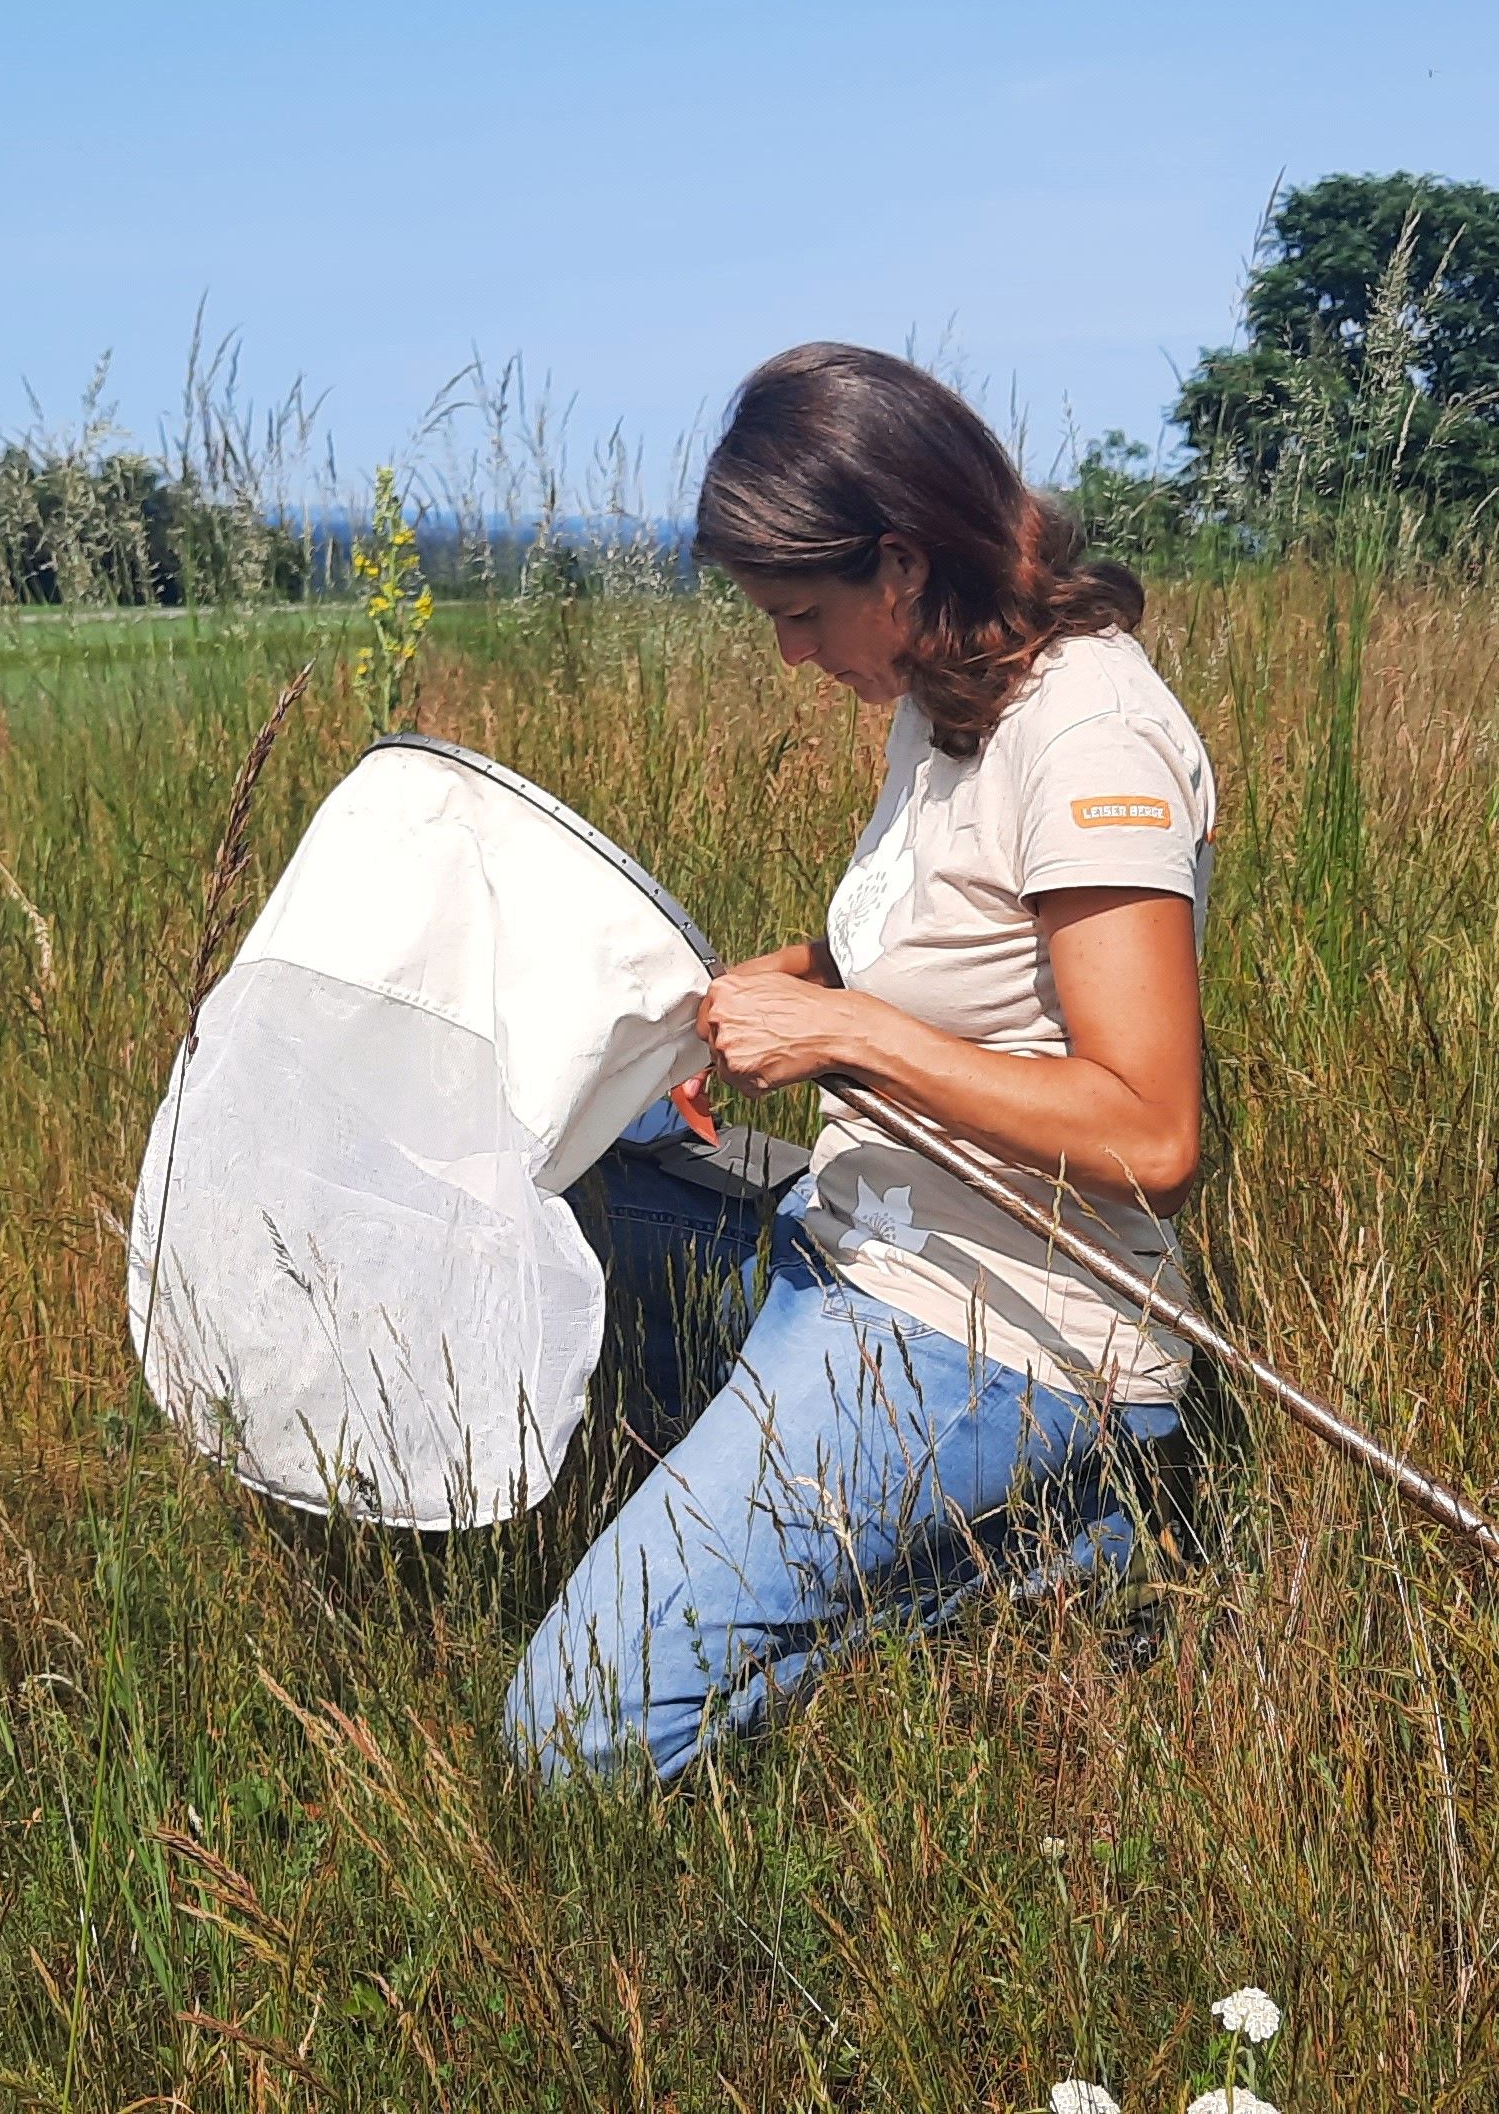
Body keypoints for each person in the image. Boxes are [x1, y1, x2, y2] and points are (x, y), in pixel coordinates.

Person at [506, 342, 1217, 1782]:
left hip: (1007, 1331)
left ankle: (1061, 1545)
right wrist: (795, 983)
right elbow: (951, 952)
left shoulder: (1089, 735)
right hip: (855, 1236)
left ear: (899, 565)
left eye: (799, 613)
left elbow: (1153, 1129)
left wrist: (843, 1035)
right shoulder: (948, 692)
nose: (790, 654)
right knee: (577, 1175)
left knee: (570, 1734)